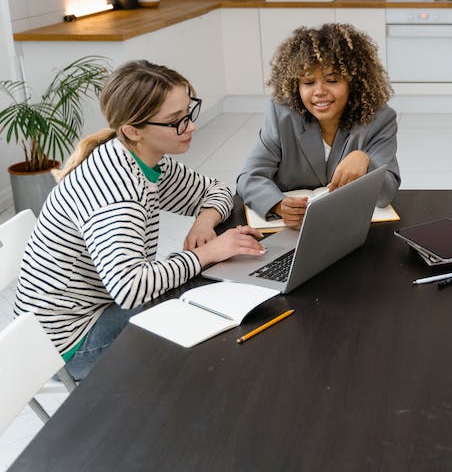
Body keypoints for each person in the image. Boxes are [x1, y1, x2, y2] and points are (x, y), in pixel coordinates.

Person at [14, 61, 265, 380]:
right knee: (205, 296)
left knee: (208, 283)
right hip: (70, 344)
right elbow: (130, 288)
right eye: (176, 121)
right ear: (133, 130)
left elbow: (217, 191)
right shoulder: (117, 193)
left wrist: (205, 220)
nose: (191, 127)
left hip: (87, 314)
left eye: (189, 112)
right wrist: (207, 253)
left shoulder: (144, 157)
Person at [237, 23, 400, 228]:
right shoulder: (281, 115)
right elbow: (249, 177)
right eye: (308, 82)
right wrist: (278, 205)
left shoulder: (379, 118)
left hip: (348, 229)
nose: (319, 91)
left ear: (354, 82)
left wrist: (365, 160)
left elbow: (386, 192)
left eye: (332, 80)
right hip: (291, 232)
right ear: (295, 85)